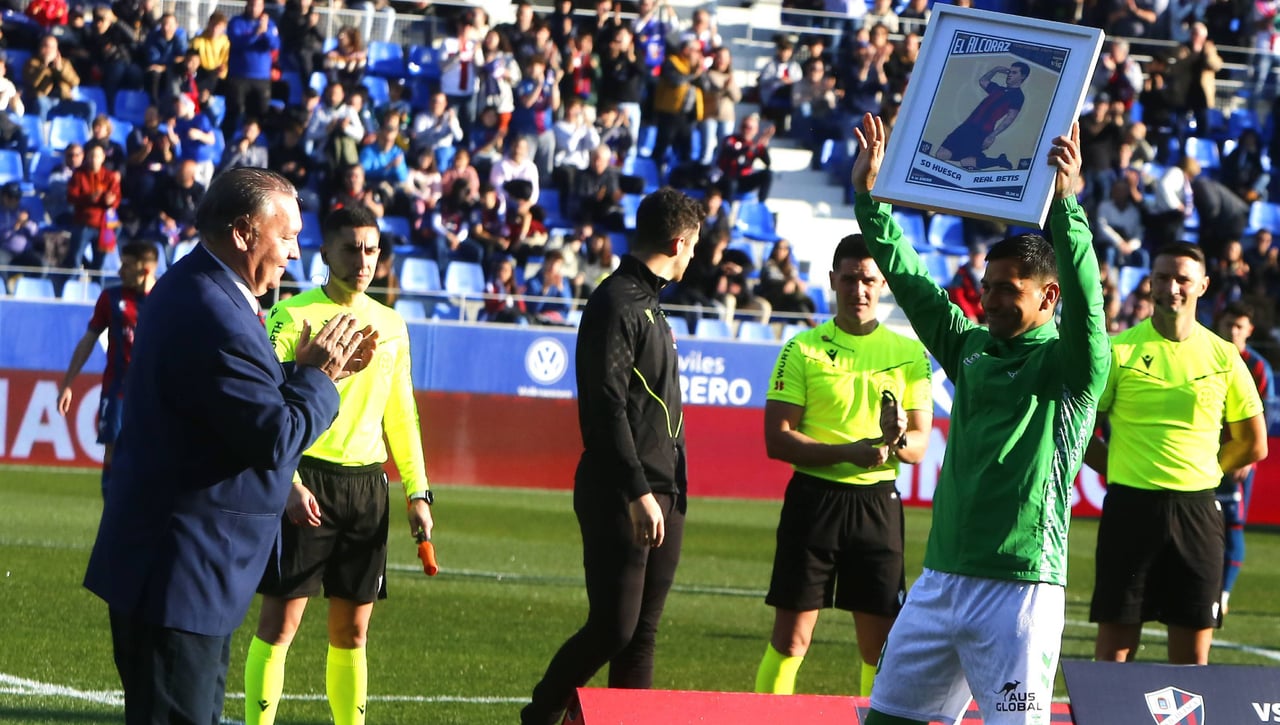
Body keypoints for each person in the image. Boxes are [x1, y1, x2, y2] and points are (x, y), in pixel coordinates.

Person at [82, 168, 372, 725]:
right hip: (179, 575)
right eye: (285, 237)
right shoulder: (214, 310)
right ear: (243, 233)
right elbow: (275, 436)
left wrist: (298, 372)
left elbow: (230, 399)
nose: (294, 253)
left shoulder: (202, 287)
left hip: (182, 574)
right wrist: (320, 378)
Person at [851, 113, 1110, 723]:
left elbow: (1091, 309)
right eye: (987, 286)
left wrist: (1067, 207)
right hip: (940, 580)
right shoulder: (971, 349)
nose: (989, 299)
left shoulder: (1070, 367)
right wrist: (870, 201)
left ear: (1048, 297)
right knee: (888, 718)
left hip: (1021, 586)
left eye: (1007, 289)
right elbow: (915, 286)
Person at [244, 205, 434, 725]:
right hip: (306, 484)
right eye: (351, 248)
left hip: (367, 490)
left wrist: (417, 493)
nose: (363, 259)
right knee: (280, 624)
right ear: (325, 252)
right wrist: (290, 481)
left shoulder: (392, 325)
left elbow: (402, 414)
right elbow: (268, 406)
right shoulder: (291, 316)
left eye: (372, 249)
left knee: (351, 633)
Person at [521, 187, 704, 725]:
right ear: (677, 241)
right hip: (622, 493)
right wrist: (638, 491)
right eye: (693, 247)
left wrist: (672, 491)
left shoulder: (650, 306)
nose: (694, 257)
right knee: (614, 628)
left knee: (641, 636)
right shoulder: (617, 302)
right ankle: (541, 713)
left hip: (666, 495)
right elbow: (605, 408)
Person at [754, 234, 933, 699]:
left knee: (880, 650)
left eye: (869, 280)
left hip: (877, 505)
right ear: (833, 281)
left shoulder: (909, 354)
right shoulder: (802, 348)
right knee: (792, 639)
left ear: (883, 284)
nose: (859, 289)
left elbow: (918, 445)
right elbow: (778, 438)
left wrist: (892, 443)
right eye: (850, 279)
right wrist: (848, 451)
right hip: (813, 502)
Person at [1087, 243, 1267, 665]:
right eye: (1163, 277)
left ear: (1202, 286)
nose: (1172, 287)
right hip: (1129, 509)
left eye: (1183, 279)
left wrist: (1206, 471)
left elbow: (1253, 443)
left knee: (1192, 663)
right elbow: (1079, 431)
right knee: (1113, 654)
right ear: (1150, 282)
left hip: (1198, 513)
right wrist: (1116, 466)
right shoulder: (1119, 350)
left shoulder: (1224, 356)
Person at [56, 241, 159, 494]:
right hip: (117, 391)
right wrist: (68, 382)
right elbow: (88, 340)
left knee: (152, 454)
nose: (120, 271)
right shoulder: (110, 298)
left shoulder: (165, 299)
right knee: (112, 449)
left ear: (144, 270)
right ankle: (111, 512)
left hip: (154, 395)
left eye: (126, 265)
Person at [1213, 302, 1274, 619]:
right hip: (1203, 455)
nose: (1233, 331)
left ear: (1250, 330)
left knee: (1233, 525)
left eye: (1239, 326)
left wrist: (1247, 459)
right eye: (1228, 325)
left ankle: (1222, 595)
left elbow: (1266, 415)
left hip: (1238, 460)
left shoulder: (1258, 367)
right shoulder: (1207, 354)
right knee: (1201, 527)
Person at [935, 63, 1029, 171]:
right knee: (941, 155)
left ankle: (995, 160)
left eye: (1014, 72)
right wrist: (996, 69)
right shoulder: (998, 89)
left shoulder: (1017, 96)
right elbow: (983, 81)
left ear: (1023, 76)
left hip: (981, 130)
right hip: (967, 126)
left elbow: (1010, 118)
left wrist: (992, 136)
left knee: (966, 162)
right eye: (1009, 72)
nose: (1009, 75)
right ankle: (989, 159)